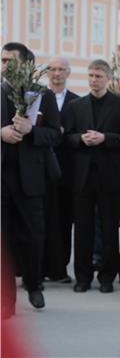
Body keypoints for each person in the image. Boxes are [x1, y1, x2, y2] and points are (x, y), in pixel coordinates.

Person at [63, 59, 120, 294]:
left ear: (108, 78)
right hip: (82, 176)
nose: (93, 80)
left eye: (98, 76)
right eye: (91, 76)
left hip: (109, 175)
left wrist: (105, 138)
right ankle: (82, 277)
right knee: (82, 228)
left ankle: (106, 277)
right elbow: (67, 138)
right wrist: (80, 139)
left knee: (110, 227)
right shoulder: (75, 105)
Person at [1, 43, 60, 314]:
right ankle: (6, 299)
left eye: (8, 61)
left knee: (34, 236)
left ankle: (34, 284)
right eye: (1, 60)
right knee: (4, 239)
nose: (3, 65)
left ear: (25, 64)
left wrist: (31, 131)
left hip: (31, 177)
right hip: (3, 176)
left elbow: (54, 134)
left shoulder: (41, 94)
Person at [43, 57, 79, 284]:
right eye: (53, 69)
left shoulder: (76, 102)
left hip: (67, 170)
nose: (57, 73)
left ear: (68, 73)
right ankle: (38, 267)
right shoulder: (37, 97)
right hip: (41, 168)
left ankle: (60, 269)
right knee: (41, 220)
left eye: (61, 69)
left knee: (64, 221)